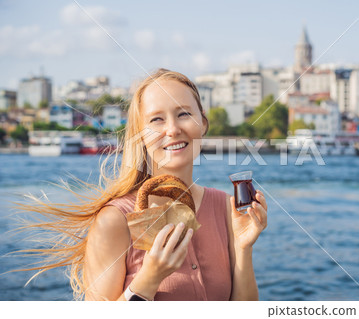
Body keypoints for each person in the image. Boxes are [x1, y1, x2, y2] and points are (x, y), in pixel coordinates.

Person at [17, 69, 268, 301]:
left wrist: (243, 248)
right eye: (157, 120)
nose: (172, 129)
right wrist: (149, 278)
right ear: (140, 135)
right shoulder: (114, 221)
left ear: (202, 123)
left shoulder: (226, 208)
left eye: (183, 114)